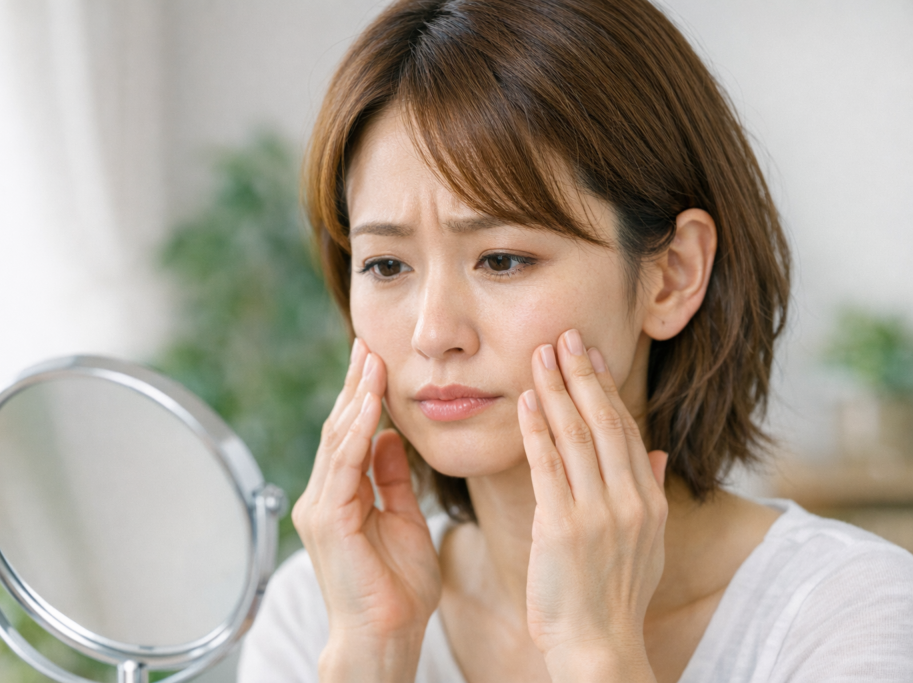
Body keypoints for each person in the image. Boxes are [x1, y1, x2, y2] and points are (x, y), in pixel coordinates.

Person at [238, 0, 913, 681]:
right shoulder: (319, 618)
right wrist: (373, 655)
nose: (434, 333)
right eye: (387, 266)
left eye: (502, 260)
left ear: (673, 275)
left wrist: (598, 653)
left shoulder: (850, 617)